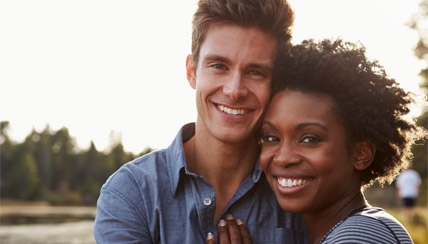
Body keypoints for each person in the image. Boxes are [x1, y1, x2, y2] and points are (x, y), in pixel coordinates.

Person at [94, 0, 308, 243]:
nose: (234, 90)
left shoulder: (299, 188)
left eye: (256, 72)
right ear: (192, 71)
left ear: (276, 83)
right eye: (219, 66)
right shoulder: (131, 193)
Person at [208, 39, 427, 244]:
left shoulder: (360, 236)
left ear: (361, 153)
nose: (283, 157)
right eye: (271, 137)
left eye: (309, 139)